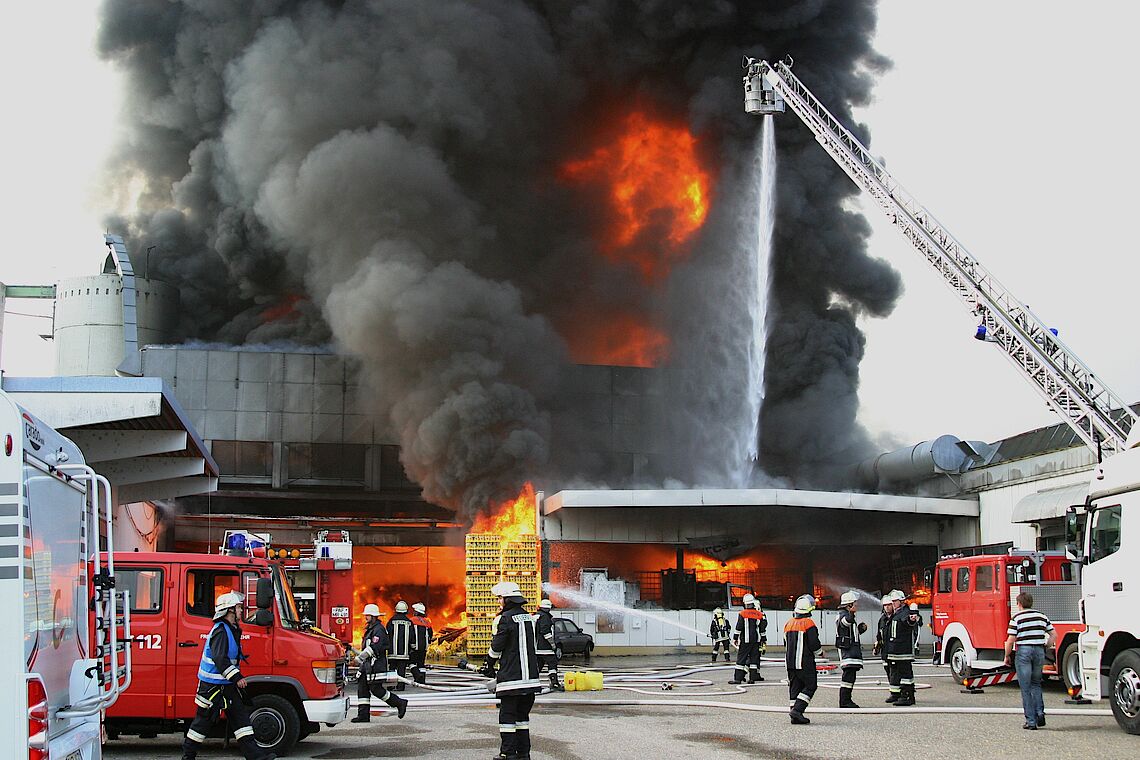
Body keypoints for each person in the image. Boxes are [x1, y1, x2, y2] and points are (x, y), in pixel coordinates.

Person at [180, 592, 275, 760]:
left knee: (241, 721)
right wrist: (237, 677)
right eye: (238, 608)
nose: (241, 611)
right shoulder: (221, 631)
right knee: (202, 723)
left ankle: (256, 757)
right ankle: (188, 755)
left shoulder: (230, 630)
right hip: (212, 688)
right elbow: (219, 659)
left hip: (225, 686)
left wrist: (234, 678)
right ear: (229, 610)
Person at [482, 581, 542, 760]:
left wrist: (489, 664)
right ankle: (524, 753)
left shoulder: (504, 619)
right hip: (531, 680)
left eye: (500, 598)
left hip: (511, 680)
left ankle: (507, 753)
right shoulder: (530, 619)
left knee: (507, 719)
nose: (499, 601)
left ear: (508, 600)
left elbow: (496, 647)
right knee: (522, 719)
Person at [1004, 591, 1056, 730]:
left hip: (1024, 651)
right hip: (1039, 651)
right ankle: (1040, 713)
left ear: (1019, 603)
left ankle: (1031, 721)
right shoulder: (1041, 616)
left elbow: (1010, 640)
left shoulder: (1017, 618)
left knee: (1025, 687)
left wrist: (1007, 656)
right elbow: (1053, 634)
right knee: (1036, 684)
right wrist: (1046, 646)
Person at [351, 603, 407, 722]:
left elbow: (373, 648)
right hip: (366, 667)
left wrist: (358, 659)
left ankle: (399, 703)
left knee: (376, 690)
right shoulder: (370, 630)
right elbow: (365, 649)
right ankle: (363, 715)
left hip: (375, 666)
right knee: (362, 689)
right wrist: (350, 649)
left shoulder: (379, 630)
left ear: (374, 616)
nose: (365, 617)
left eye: (368, 615)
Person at [784, 594, 823, 725]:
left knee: (795, 688)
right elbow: (813, 643)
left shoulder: (788, 623)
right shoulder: (808, 623)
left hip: (790, 663)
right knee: (810, 685)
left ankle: (794, 715)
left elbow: (786, 643)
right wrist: (821, 653)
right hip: (804, 663)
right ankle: (797, 710)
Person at [885, 590, 921, 706]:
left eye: (895, 601)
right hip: (895, 651)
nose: (893, 603)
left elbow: (909, 622)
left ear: (902, 601)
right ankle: (897, 695)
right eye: (893, 601)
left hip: (903, 651)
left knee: (906, 674)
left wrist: (911, 619)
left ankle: (907, 696)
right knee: (896, 672)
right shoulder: (896, 614)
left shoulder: (905, 612)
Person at [835, 591, 868, 708]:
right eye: (854, 604)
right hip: (847, 653)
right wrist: (851, 613)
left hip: (851, 652)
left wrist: (859, 629)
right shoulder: (843, 615)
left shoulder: (847, 614)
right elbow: (844, 623)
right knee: (848, 677)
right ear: (849, 605)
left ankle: (846, 700)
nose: (856, 606)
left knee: (850, 676)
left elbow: (850, 633)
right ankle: (845, 701)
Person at [730, 593, 766, 684]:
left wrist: (735, 638)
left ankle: (737, 679)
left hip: (745, 641)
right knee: (754, 659)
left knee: (741, 659)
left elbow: (739, 627)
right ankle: (752, 678)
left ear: (744, 603)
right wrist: (763, 640)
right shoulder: (759, 614)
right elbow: (762, 629)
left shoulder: (742, 614)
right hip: (756, 641)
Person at [535, 598, 562, 691]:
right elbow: (545, 632)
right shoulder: (545, 617)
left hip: (536, 648)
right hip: (545, 647)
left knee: (537, 666)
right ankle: (554, 683)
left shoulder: (536, 616)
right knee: (552, 664)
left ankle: (533, 684)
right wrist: (553, 645)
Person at [387, 600, 414, 691]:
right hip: (404, 652)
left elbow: (387, 634)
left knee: (392, 669)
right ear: (406, 610)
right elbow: (412, 636)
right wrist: (412, 648)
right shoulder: (409, 622)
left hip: (392, 652)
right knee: (401, 670)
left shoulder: (391, 621)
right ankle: (400, 686)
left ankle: (391, 685)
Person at [409, 602, 433, 685]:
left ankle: (417, 675)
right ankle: (422, 680)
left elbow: (410, 633)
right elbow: (431, 634)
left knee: (411, 663)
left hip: (414, 647)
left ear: (416, 612)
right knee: (421, 664)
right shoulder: (427, 622)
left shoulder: (412, 620)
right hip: (424, 648)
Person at [874, 596, 893, 695]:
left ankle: (898, 693)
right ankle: (893, 691)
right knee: (887, 669)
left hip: (894, 650)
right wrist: (877, 646)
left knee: (895, 672)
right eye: (885, 605)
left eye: (889, 605)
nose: (887, 607)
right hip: (885, 650)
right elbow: (879, 634)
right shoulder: (882, 619)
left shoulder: (896, 618)